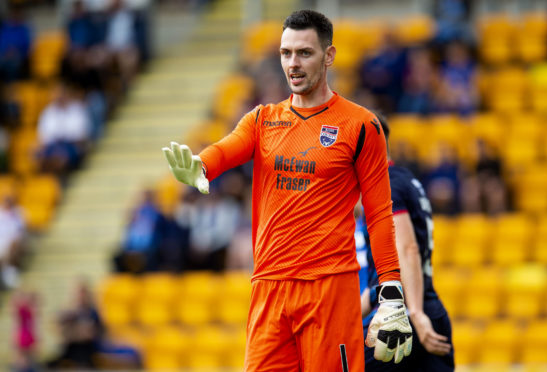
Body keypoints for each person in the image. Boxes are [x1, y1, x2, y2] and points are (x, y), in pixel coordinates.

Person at [162, 10, 412, 371]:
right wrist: (200, 166)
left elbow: (379, 215)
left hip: (329, 290)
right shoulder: (262, 120)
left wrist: (390, 292)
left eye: (304, 53)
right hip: (270, 289)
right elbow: (226, 148)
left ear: (329, 56)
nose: (293, 64)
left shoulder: (361, 126)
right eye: (286, 53)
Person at [357, 116, 454, 372]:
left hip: (402, 319)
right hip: (427, 311)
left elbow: (406, 249)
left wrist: (415, 313)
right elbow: (379, 281)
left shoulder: (386, 185)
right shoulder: (407, 180)